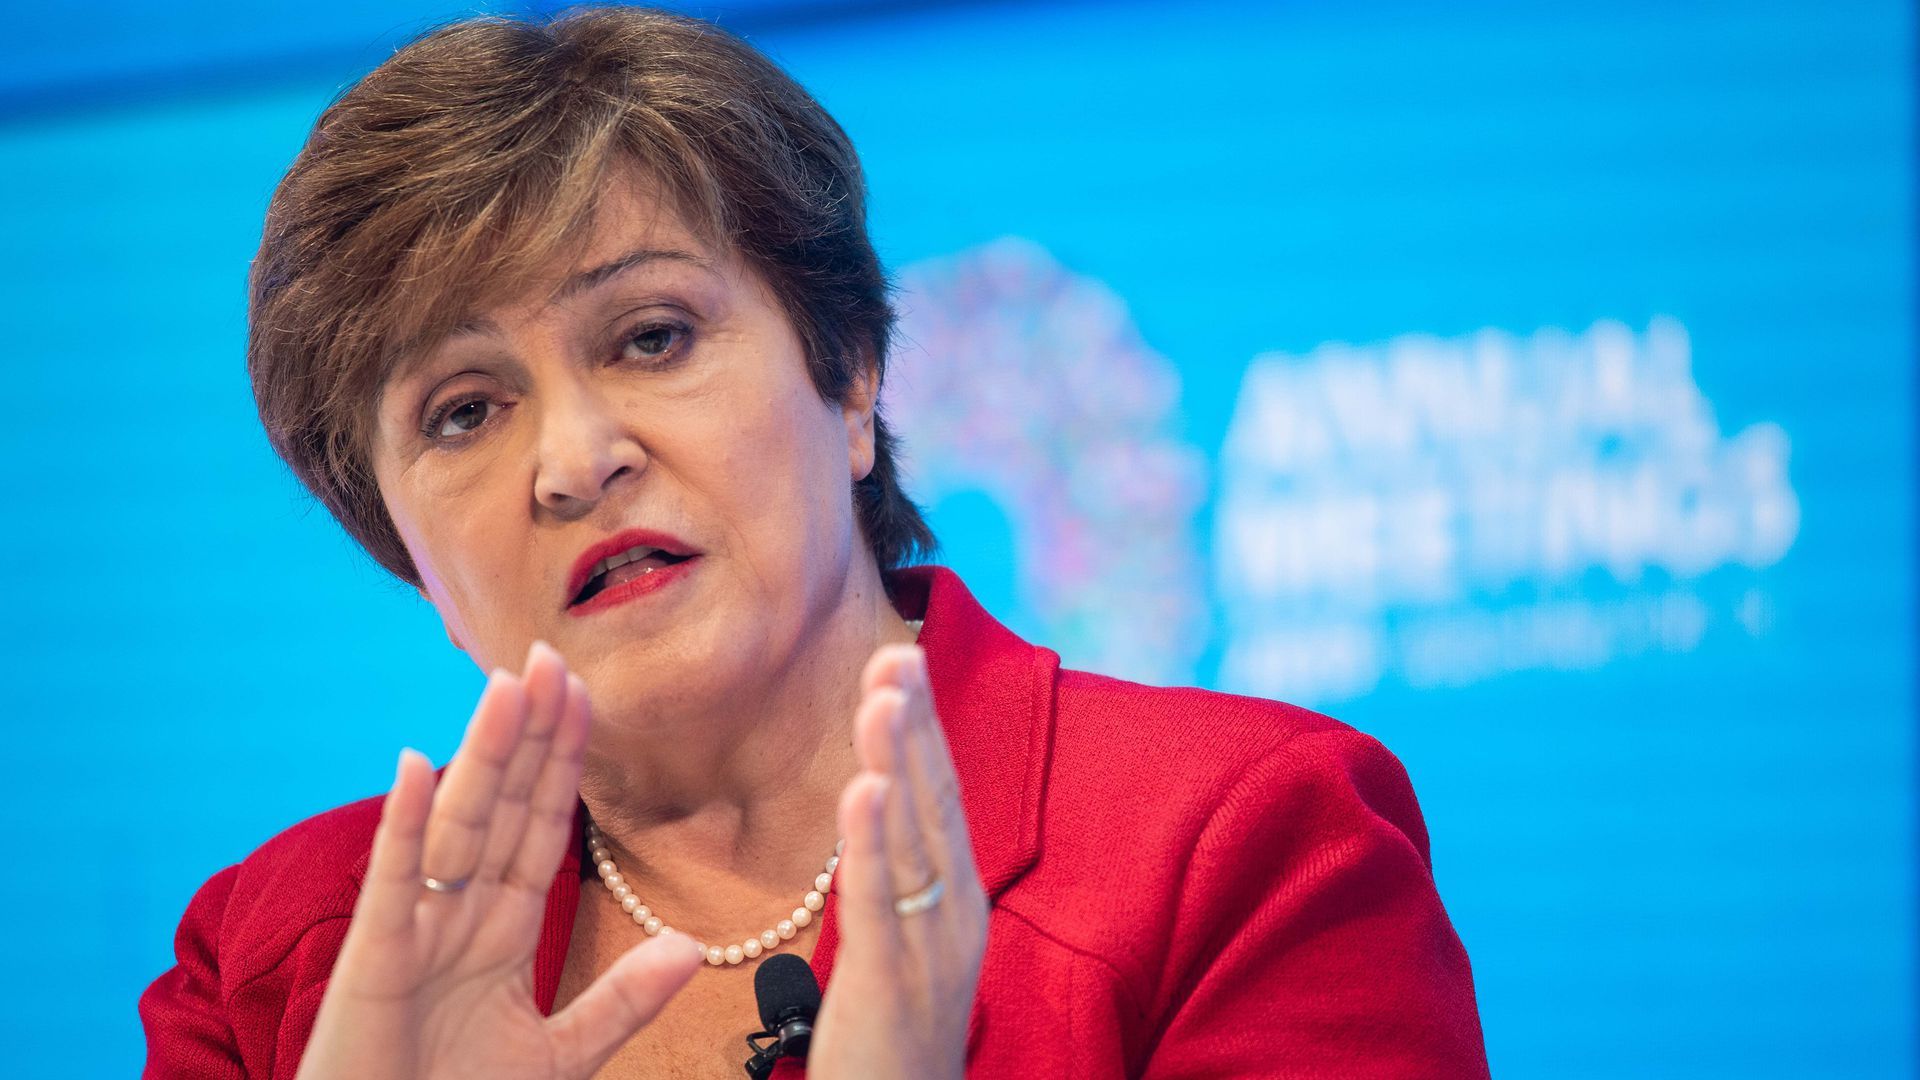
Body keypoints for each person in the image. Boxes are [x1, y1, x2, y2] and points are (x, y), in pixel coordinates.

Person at [139, 7, 1491, 1078]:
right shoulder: (273, 969)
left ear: (848, 376)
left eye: (652, 336)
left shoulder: (1237, 848)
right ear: (404, 548)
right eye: (465, 411)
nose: (572, 461)